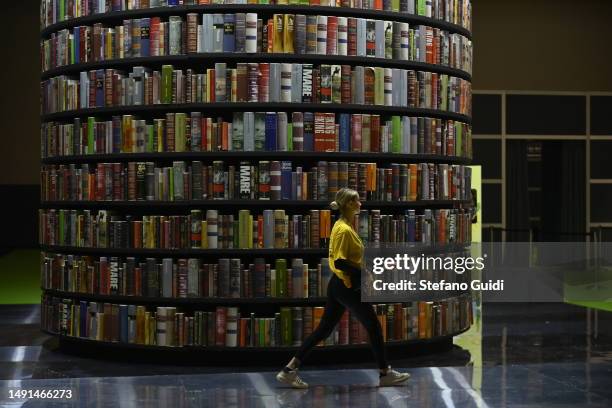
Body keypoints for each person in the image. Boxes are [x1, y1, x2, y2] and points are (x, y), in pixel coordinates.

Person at [276, 188, 411, 388]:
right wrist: (364, 275)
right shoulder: (343, 229)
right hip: (347, 286)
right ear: (347, 204)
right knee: (373, 327)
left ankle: (289, 370)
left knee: (324, 330)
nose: (360, 204)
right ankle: (385, 373)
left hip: (339, 285)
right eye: (356, 201)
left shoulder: (344, 226)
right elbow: (340, 262)